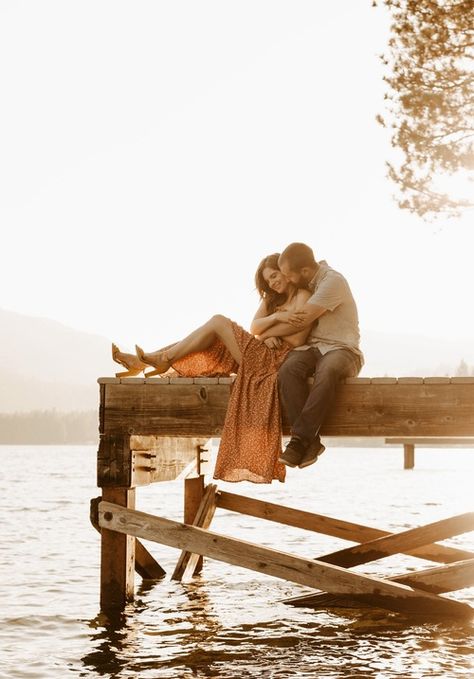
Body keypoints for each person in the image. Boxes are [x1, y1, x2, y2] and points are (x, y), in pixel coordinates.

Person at [112, 253, 312, 483]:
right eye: (268, 280)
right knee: (212, 342)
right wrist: (275, 324)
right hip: (262, 352)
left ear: (286, 272)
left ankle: (157, 359)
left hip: (276, 361)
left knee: (217, 322)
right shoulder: (271, 301)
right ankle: (152, 359)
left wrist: (269, 330)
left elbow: (298, 340)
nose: (273, 283)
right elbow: (255, 327)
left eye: (275, 276)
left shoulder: (303, 296)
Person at [257, 243, 364, 470]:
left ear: (304, 272)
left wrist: (264, 333)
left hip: (344, 350)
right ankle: (311, 443)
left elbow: (302, 321)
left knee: (327, 369)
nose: (287, 280)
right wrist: (266, 334)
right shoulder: (308, 284)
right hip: (314, 349)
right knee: (288, 370)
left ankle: (299, 440)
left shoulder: (332, 282)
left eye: (288, 275)